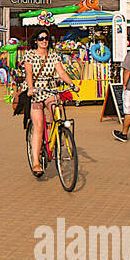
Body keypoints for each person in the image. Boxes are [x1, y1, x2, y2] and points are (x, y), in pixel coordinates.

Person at [23, 30, 79, 177]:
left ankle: (57, 132)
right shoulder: (29, 55)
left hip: (49, 88)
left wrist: (72, 84)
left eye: (47, 38)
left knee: (57, 108)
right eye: (41, 38)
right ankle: (36, 161)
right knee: (39, 126)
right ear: (35, 40)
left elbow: (61, 72)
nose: (44, 41)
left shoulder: (54, 55)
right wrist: (30, 87)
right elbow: (28, 73)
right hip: (35, 90)